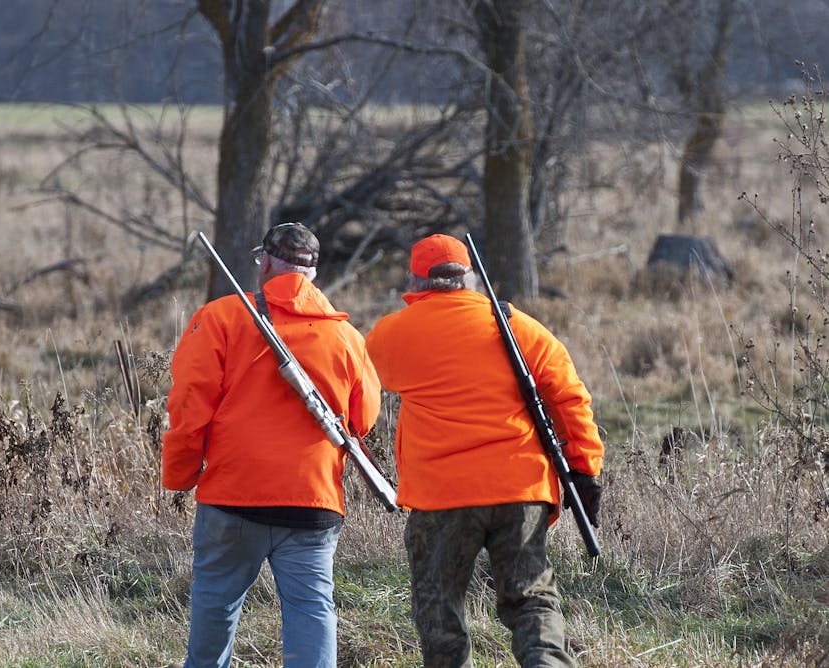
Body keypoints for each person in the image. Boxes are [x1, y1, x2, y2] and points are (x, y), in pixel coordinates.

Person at [365, 233, 605, 668]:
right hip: (520, 488)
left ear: (415, 282)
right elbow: (570, 397)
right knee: (531, 600)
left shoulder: (392, 334)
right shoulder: (518, 326)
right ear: (471, 278)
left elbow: (366, 383)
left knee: (439, 607)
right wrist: (585, 469)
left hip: (442, 495)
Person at [162, 223, 383, 668]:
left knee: (215, 604)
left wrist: (181, 475)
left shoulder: (221, 318)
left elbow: (189, 406)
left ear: (264, 262)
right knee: (311, 608)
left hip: (233, 496)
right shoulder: (346, 337)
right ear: (313, 274)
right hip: (314, 499)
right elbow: (364, 419)